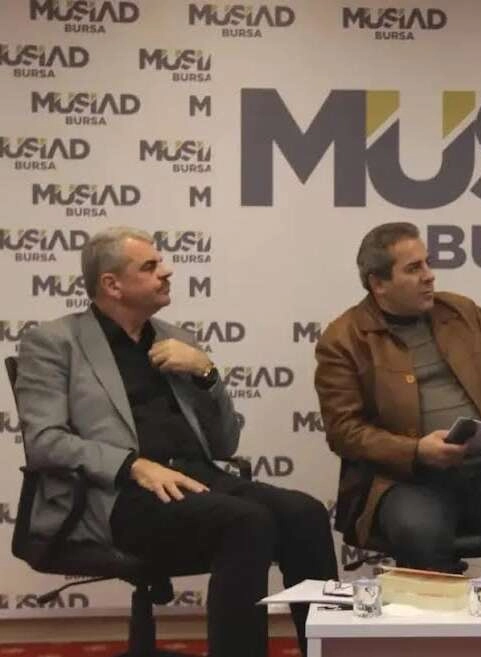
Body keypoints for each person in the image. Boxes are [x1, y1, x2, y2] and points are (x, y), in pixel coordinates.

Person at [16, 227, 336, 657]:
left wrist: (207, 374)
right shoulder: (56, 343)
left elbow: (224, 444)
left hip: (198, 478)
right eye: (150, 267)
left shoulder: (177, 340)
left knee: (305, 514)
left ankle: (326, 651)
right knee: (245, 521)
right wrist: (132, 465)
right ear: (112, 284)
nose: (166, 272)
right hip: (120, 493)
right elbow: (44, 441)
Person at [314, 222, 481, 590]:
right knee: (421, 536)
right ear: (378, 283)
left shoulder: (460, 312)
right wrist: (416, 450)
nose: (429, 276)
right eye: (414, 269)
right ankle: (448, 619)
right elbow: (344, 431)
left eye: (428, 263)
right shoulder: (344, 339)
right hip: (405, 480)